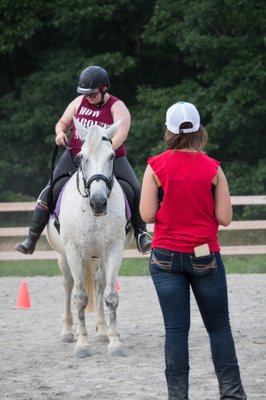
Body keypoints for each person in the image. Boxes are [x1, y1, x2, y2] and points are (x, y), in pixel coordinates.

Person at [139, 101, 247, 400]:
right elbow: (225, 218)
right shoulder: (213, 168)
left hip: (165, 257)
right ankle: (232, 393)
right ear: (199, 130)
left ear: (169, 131)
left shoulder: (155, 166)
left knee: (176, 330)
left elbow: (147, 213)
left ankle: (178, 396)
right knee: (219, 327)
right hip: (204, 256)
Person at [15, 66, 151, 255]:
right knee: (49, 189)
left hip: (109, 157)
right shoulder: (78, 102)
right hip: (76, 154)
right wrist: (60, 133)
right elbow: (62, 123)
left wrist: (104, 150)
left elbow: (122, 133)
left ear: (104, 88)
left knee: (134, 189)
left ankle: (141, 234)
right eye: (85, 93)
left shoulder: (117, 106)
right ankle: (32, 238)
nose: (89, 97)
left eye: (93, 93)